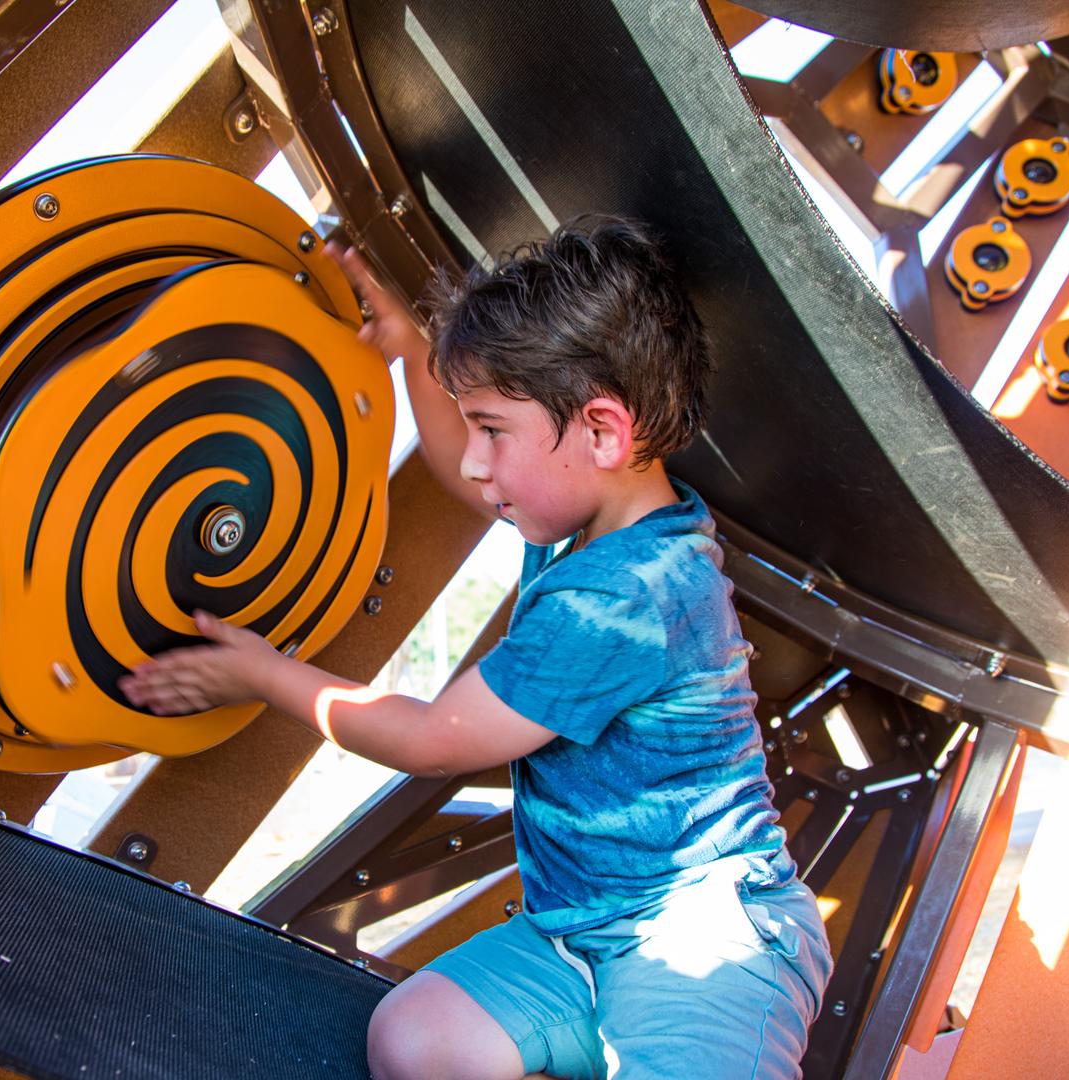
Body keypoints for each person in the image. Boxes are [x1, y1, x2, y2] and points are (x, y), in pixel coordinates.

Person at [119, 216, 831, 1079]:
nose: (474, 465)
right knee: (412, 1040)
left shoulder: (630, 594)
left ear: (602, 432)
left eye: (495, 430)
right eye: (477, 426)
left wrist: (261, 673)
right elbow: (466, 458)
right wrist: (413, 345)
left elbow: (434, 739)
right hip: (578, 934)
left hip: (711, 929)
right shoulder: (594, 521)